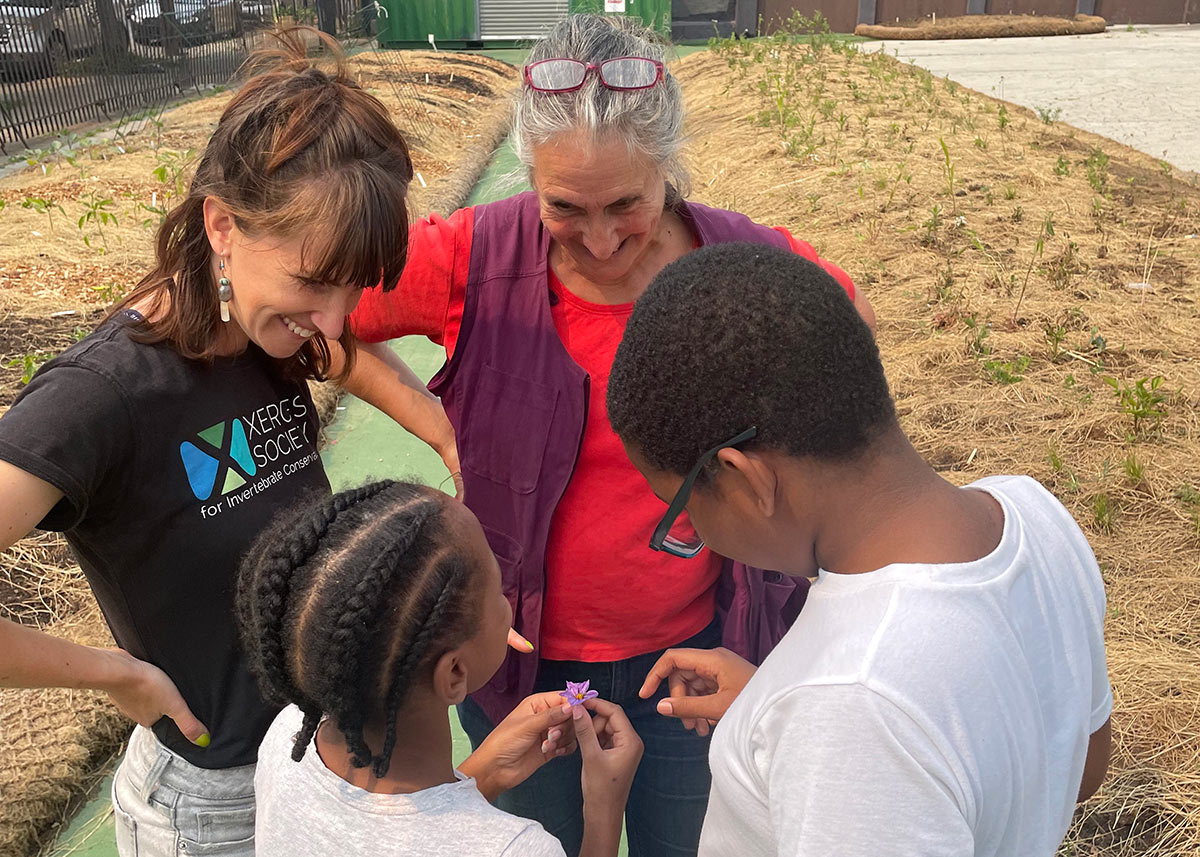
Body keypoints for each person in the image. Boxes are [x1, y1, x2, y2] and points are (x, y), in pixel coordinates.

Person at [341, 14, 874, 856]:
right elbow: (321, 314)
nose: (599, 239)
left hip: (692, 665)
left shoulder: (735, 262)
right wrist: (436, 425)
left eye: (627, 204)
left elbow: (850, 322)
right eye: (565, 207)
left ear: (667, 168)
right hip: (521, 670)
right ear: (529, 177)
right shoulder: (474, 258)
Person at [0, 32, 458, 856]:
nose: (334, 318)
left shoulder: (260, 328)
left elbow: (346, 354)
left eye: (353, 287)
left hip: (306, 760)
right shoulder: (103, 394)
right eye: (312, 281)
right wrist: (121, 677)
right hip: (211, 808)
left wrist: (446, 436)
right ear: (222, 225)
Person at [605, 242, 1113, 856]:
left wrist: (818, 718)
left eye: (683, 509)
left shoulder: (848, 701)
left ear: (745, 479)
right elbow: (1079, 770)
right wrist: (776, 708)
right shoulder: (1034, 513)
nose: (693, 531)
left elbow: (875, 708)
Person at [238, 480, 644, 857]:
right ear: (454, 674)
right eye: (497, 588)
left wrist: (488, 771)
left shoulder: (287, 739)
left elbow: (391, 835)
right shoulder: (512, 849)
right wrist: (604, 810)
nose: (507, 601)